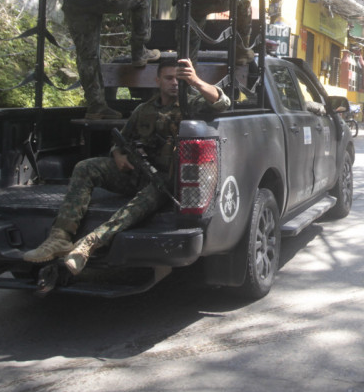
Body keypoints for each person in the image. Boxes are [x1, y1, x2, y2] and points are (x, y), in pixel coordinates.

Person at [23, 57, 230, 274]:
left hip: (165, 183)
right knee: (85, 167)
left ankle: (90, 243)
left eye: (178, 78)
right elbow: (121, 140)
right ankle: (60, 237)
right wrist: (118, 154)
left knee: (139, 204)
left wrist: (195, 81)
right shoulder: (144, 109)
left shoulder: (191, 105)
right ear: (157, 80)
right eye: (168, 78)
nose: (174, 83)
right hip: (136, 173)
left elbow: (222, 103)